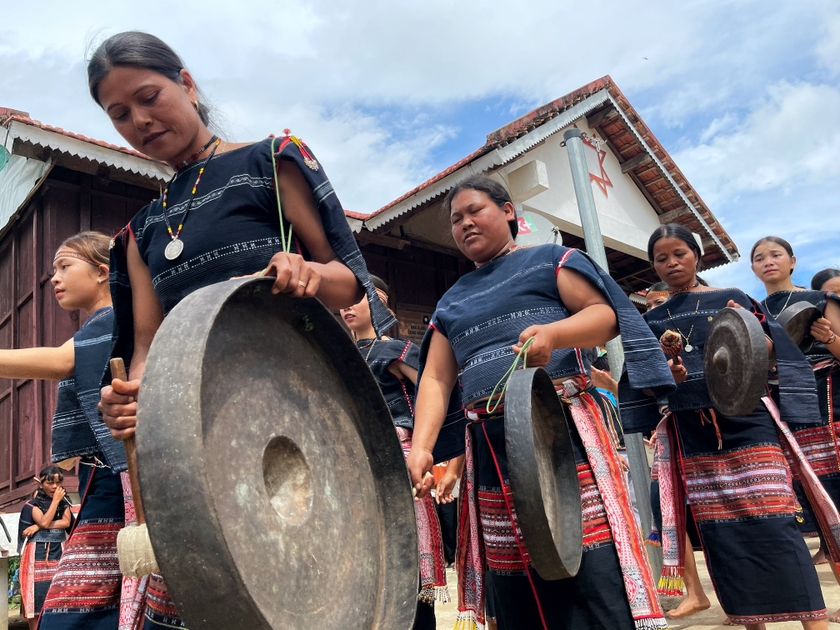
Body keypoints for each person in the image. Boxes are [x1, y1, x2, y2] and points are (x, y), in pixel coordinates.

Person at [91, 31, 392, 629]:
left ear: (187, 82)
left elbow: (350, 283)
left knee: (309, 599)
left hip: (300, 421)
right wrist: (133, 401)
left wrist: (306, 270)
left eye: (149, 96)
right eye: (119, 114)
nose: (140, 120)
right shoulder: (142, 230)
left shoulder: (270, 160)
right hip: (198, 438)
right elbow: (150, 343)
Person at [406, 175, 674, 630]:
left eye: (476, 210)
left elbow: (604, 316)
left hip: (559, 430)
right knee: (516, 581)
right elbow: (435, 376)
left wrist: (555, 334)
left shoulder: (550, 260)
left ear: (509, 211)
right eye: (456, 220)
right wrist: (423, 447)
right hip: (490, 447)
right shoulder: (451, 301)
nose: (465, 223)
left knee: (590, 565)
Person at [632, 223, 829, 630]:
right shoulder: (653, 320)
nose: (671, 264)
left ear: (697, 256)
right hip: (693, 429)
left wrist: (752, 332)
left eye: (679, 254)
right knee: (721, 531)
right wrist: (671, 376)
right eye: (661, 258)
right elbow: (648, 385)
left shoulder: (732, 299)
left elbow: (774, 352)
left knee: (775, 517)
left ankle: (815, 624)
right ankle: (749, 619)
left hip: (748, 420)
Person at [0, 231, 141, 630]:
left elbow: (61, 362)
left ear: (101, 272)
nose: (54, 279)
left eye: (65, 266)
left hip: (120, 478)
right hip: (105, 475)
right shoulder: (99, 326)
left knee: (74, 608)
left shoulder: (115, 318)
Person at [341, 275, 450, 630]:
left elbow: (438, 393)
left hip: (402, 466)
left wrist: (436, 453)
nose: (347, 306)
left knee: (407, 574)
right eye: (343, 300)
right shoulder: (336, 355)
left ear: (380, 303)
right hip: (352, 471)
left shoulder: (395, 351)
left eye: (357, 298)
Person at [751, 236, 840, 621]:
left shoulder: (821, 301)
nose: (768, 262)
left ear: (792, 260)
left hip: (829, 399)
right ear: (753, 269)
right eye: (759, 258)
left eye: (775, 255)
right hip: (783, 406)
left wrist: (832, 339)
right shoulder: (753, 310)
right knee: (819, 503)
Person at [17, 467, 72, 629]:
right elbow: (44, 521)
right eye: (50, 483)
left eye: (58, 482)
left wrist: (37, 527)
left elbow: (66, 523)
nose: (55, 486)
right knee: (35, 594)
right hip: (36, 554)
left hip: (58, 550)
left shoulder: (65, 502)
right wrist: (55, 503)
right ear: (41, 484)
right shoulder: (32, 504)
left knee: (57, 592)